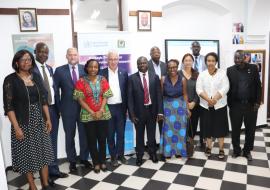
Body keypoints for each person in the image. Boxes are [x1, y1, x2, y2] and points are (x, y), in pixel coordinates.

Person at [3, 50, 54, 190]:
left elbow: (43, 100)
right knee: (27, 155)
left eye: (29, 59)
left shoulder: (36, 77)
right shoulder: (10, 80)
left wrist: (48, 119)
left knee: (44, 152)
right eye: (23, 60)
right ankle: (32, 185)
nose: (27, 62)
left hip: (40, 120)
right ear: (16, 62)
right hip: (22, 122)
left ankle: (45, 183)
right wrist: (17, 128)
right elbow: (9, 107)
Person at [33, 42, 68, 180]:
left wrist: (58, 108)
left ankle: (53, 170)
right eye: (40, 51)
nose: (43, 54)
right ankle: (44, 175)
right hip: (39, 111)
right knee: (42, 143)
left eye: (46, 52)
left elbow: (54, 90)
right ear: (35, 52)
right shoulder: (31, 69)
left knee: (52, 141)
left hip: (53, 110)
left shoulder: (49, 69)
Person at [54, 48, 91, 172]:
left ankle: (84, 158)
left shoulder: (84, 69)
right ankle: (72, 160)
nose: (72, 56)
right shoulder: (59, 71)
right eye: (70, 54)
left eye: (75, 54)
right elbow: (55, 91)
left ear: (78, 56)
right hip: (67, 109)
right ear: (66, 56)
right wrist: (59, 108)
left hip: (84, 108)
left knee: (84, 135)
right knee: (69, 135)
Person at [74, 59, 113, 173]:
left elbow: (106, 96)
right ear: (86, 68)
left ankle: (103, 162)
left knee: (102, 139)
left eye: (95, 67)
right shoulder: (81, 81)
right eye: (91, 67)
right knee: (91, 140)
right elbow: (80, 99)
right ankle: (96, 163)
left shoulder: (103, 79)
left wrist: (100, 110)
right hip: (87, 114)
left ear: (98, 68)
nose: (93, 69)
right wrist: (92, 112)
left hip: (103, 114)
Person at [128, 56, 163, 166]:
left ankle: (152, 153)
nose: (142, 65)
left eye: (144, 63)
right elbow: (129, 98)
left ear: (147, 64)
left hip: (152, 110)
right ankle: (139, 155)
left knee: (151, 134)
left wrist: (160, 112)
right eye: (140, 63)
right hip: (139, 112)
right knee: (139, 135)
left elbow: (158, 95)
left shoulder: (154, 77)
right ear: (137, 65)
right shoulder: (132, 78)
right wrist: (132, 114)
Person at [227, 50, 262, 161]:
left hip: (251, 106)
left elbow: (258, 86)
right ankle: (236, 150)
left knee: (250, 130)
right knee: (235, 130)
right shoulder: (230, 70)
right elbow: (228, 88)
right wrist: (230, 103)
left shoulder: (253, 68)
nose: (237, 60)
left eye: (239, 58)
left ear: (245, 58)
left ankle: (247, 151)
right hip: (235, 106)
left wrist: (257, 102)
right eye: (235, 58)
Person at [196, 52, 229, 159]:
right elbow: (199, 89)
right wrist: (208, 100)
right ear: (206, 62)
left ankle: (221, 149)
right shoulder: (202, 74)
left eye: (213, 61)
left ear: (216, 62)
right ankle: (209, 147)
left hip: (219, 106)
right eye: (208, 60)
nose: (210, 63)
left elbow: (225, 87)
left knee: (220, 128)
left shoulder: (222, 73)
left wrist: (214, 99)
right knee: (207, 128)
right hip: (205, 106)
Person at [100, 51, 128, 167]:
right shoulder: (102, 74)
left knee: (121, 134)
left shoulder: (124, 73)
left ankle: (121, 155)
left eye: (115, 59)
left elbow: (126, 92)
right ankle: (113, 157)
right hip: (108, 108)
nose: (113, 61)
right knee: (110, 134)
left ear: (118, 60)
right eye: (111, 59)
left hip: (121, 108)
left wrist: (127, 109)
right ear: (107, 60)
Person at [159, 59, 189, 159]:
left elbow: (185, 94)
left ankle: (179, 151)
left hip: (180, 107)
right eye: (170, 67)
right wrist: (160, 110)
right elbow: (161, 95)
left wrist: (187, 109)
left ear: (177, 67)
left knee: (180, 129)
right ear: (167, 68)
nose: (173, 69)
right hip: (167, 107)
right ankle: (168, 152)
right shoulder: (163, 79)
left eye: (174, 67)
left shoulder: (183, 79)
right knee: (168, 130)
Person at [179, 54, 201, 144]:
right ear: (183, 62)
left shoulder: (197, 74)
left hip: (194, 106)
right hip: (181, 105)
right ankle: (182, 147)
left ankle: (189, 147)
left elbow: (199, 90)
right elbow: (176, 90)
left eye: (190, 60)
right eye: (186, 60)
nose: (188, 62)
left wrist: (194, 102)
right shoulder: (178, 74)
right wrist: (185, 104)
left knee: (193, 128)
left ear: (193, 62)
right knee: (181, 127)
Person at [148, 46, 167, 135]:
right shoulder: (146, 64)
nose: (157, 54)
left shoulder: (164, 65)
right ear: (150, 54)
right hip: (151, 97)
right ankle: (151, 143)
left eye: (158, 52)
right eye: (154, 52)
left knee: (162, 120)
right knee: (151, 122)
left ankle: (162, 142)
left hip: (164, 96)